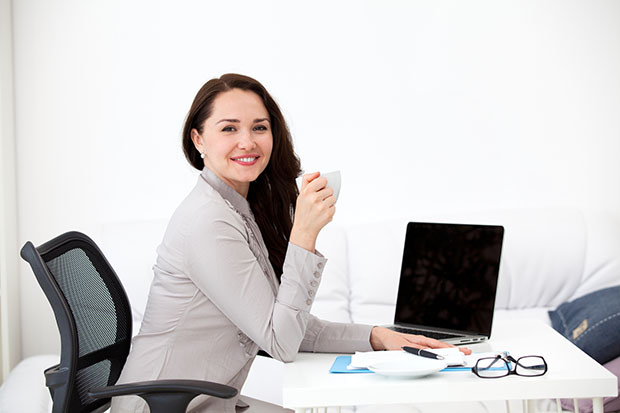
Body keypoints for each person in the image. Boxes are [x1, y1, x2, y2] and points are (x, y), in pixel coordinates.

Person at [111, 73, 469, 413]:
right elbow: (280, 340)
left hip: (205, 403)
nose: (247, 142)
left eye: (259, 127)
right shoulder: (208, 221)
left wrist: (378, 337)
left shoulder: (237, 208)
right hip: (162, 407)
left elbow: (289, 325)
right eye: (229, 128)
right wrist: (304, 234)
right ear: (198, 139)